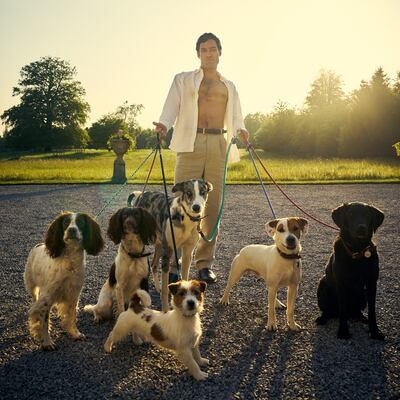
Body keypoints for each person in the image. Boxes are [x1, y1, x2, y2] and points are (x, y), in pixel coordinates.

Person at [153, 32, 249, 284]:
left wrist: (242, 129)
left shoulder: (229, 86)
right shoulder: (183, 80)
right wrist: (163, 124)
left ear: (220, 52)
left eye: (213, 49)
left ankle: (204, 264)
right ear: (198, 54)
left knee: (213, 206)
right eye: (204, 49)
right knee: (179, 203)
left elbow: (237, 115)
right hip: (190, 142)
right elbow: (170, 106)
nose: (209, 53)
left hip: (219, 142)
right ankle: (174, 263)